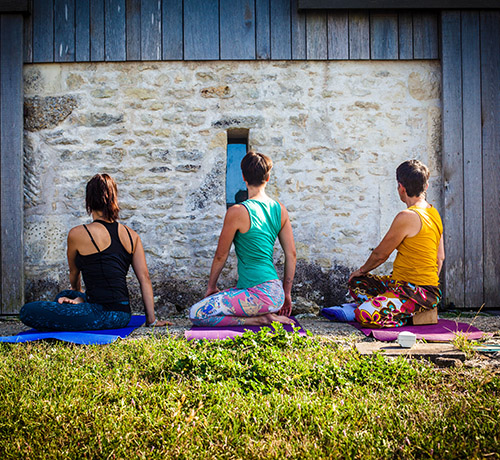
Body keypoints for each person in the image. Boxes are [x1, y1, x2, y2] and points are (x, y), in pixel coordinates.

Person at [20, 174, 171, 331]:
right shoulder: (132, 235)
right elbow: (144, 278)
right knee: (65, 295)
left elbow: (74, 275)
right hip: (123, 314)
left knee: (27, 311)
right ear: (114, 198)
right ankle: (80, 304)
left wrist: (78, 295)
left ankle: (79, 308)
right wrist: (151, 320)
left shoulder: (77, 233)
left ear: (89, 200)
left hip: (101, 314)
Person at [189, 151, 297, 327]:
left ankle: (259, 319)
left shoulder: (237, 211)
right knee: (226, 298)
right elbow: (291, 254)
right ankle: (264, 315)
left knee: (196, 314)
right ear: (268, 177)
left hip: (258, 295)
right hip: (274, 294)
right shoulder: (281, 210)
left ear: (243, 177)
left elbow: (220, 256)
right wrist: (286, 294)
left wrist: (211, 286)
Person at [347, 159, 445, 328]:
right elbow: (440, 257)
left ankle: (404, 313)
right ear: (425, 186)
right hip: (411, 287)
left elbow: (380, 255)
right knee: (358, 283)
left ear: (401, 187)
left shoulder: (407, 216)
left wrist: (361, 270)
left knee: (363, 313)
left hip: (415, 292)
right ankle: (403, 308)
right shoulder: (433, 212)